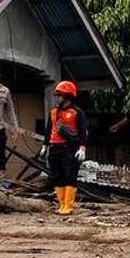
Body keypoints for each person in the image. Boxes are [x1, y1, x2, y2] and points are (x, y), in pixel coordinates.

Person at [43, 81, 88, 216]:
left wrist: (82, 148)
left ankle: (68, 205)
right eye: (56, 95)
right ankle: (61, 204)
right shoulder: (53, 112)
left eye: (60, 95)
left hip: (70, 147)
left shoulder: (77, 112)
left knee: (69, 175)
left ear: (68, 96)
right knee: (57, 176)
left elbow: (83, 131)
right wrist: (45, 145)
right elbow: (48, 129)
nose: (57, 97)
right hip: (54, 147)